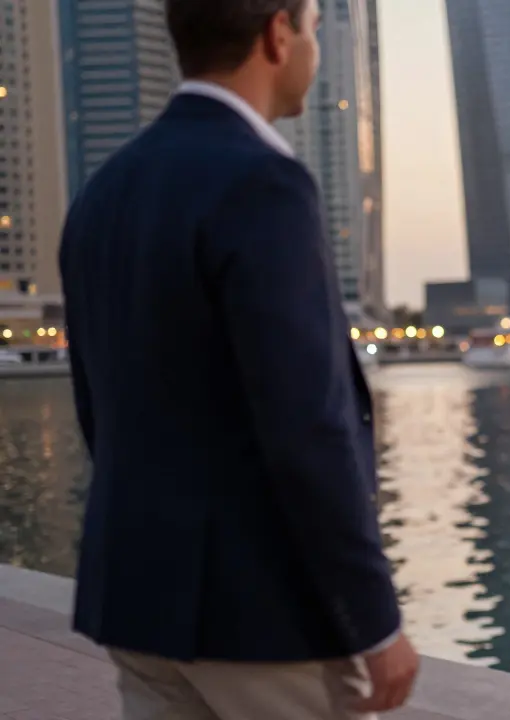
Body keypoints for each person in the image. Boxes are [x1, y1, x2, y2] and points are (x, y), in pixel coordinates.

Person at [57, 1, 419, 716]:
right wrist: (372, 616)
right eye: (314, 27)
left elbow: (100, 411)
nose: (314, 46)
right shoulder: (264, 184)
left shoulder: (103, 191)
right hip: (259, 618)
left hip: (135, 598)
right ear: (277, 34)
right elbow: (308, 427)